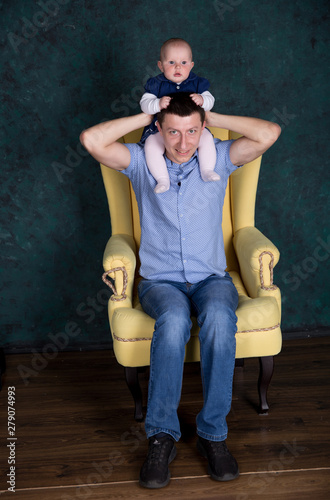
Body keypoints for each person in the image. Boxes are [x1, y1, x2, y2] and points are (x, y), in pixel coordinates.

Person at [80, 93, 281, 489]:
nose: (184, 142)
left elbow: (269, 132)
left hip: (212, 279)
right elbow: (92, 140)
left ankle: (213, 435)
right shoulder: (140, 164)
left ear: (203, 130)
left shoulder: (219, 159)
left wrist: (211, 115)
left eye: (192, 132)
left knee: (222, 320)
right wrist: (147, 113)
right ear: (160, 130)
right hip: (160, 282)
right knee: (171, 322)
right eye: (174, 132)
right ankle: (161, 437)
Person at [140, 38, 219, 193]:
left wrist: (203, 100)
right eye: (171, 62)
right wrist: (156, 104)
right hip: (160, 129)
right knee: (151, 146)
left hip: (190, 130)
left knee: (207, 138)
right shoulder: (156, 84)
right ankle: (162, 179)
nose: (177, 67)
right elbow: (144, 103)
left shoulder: (197, 83)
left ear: (191, 65)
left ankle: (207, 170)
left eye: (183, 63)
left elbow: (211, 101)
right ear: (160, 65)